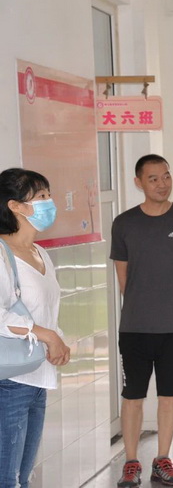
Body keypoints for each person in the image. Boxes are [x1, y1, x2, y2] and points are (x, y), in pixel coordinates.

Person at [111, 155, 173, 488]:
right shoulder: (124, 223)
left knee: (169, 395)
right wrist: (146, 300)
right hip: (135, 326)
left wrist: (168, 297)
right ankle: (131, 461)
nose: (162, 184)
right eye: (153, 178)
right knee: (133, 395)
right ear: (139, 183)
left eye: (166, 176)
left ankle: (163, 459)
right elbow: (123, 277)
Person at [0, 168, 70, 488]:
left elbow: (47, 311)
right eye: (40, 196)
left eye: (48, 194)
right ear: (15, 206)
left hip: (37, 377)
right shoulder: (2, 254)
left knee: (22, 477)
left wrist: (58, 341)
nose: (49, 202)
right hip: (9, 381)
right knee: (7, 479)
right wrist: (47, 335)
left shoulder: (40, 253)